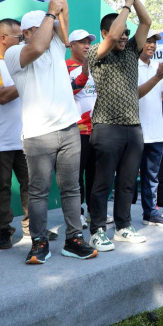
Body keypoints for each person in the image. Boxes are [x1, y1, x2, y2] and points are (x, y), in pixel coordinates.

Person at [5, 0, 97, 265]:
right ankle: (39, 242)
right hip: (38, 134)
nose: (57, 29)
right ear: (27, 32)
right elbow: (38, 44)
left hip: (69, 129)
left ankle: (74, 239)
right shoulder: (15, 54)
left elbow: (63, 11)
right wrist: (49, 13)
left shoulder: (57, 45)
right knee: (39, 191)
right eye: (47, 25)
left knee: (71, 189)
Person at [86, 0, 154, 251]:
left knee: (127, 183)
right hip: (107, 127)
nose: (124, 36)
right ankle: (97, 230)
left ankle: (123, 226)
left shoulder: (131, 52)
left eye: (127, 32)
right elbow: (114, 36)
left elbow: (146, 21)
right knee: (102, 183)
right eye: (121, 31)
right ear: (104, 33)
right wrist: (125, 4)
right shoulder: (96, 53)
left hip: (133, 128)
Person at [0, 18, 32, 249]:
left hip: (25, 135)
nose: (23, 41)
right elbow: (1, 96)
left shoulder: (21, 61)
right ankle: (4, 229)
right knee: (1, 187)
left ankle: (32, 226)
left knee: (31, 183)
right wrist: (26, 79)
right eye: (19, 37)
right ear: (3, 38)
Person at [134, 32, 163, 227]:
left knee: (152, 178)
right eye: (148, 41)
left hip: (155, 131)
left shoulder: (157, 67)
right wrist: (158, 77)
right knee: (128, 177)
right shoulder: (130, 64)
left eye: (154, 42)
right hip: (134, 130)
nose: (152, 45)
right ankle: (123, 218)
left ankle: (150, 213)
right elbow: (135, 93)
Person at [66, 28, 96, 222]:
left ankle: (94, 211)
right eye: (82, 42)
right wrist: (83, 73)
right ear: (72, 46)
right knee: (76, 176)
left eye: (89, 42)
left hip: (97, 129)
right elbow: (68, 93)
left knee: (95, 174)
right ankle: (77, 214)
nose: (87, 46)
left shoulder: (94, 67)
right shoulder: (65, 67)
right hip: (77, 130)